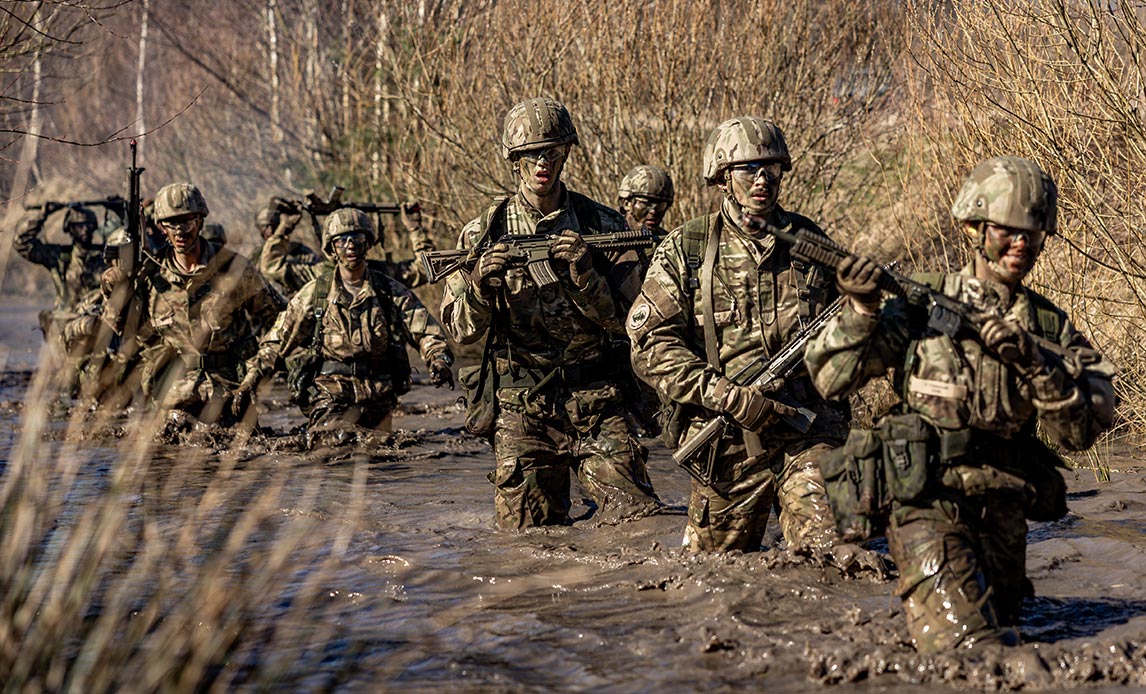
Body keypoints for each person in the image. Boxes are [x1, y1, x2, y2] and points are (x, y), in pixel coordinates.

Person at [804, 156, 1116, 651]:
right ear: (974, 227)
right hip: (924, 501)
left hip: (1004, 510)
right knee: (971, 650)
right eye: (1005, 232)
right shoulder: (920, 303)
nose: (1020, 245)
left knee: (1010, 629)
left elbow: (1081, 433)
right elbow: (831, 379)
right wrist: (862, 310)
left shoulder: (1048, 327)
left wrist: (1036, 364)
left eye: (1032, 236)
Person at [627, 116, 855, 556]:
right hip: (727, 441)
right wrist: (724, 394)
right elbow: (650, 344)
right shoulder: (687, 247)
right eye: (748, 169)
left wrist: (867, 301)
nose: (762, 179)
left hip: (806, 430)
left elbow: (859, 325)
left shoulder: (808, 242)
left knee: (832, 554)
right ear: (723, 177)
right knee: (713, 577)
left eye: (771, 167)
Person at [440, 96, 661, 529]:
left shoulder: (604, 227)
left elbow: (633, 323)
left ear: (566, 154)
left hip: (597, 399)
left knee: (639, 524)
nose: (543, 163)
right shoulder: (483, 232)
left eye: (553, 152)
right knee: (526, 545)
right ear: (514, 161)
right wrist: (482, 287)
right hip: (522, 406)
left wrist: (586, 277)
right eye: (531, 154)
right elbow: (460, 333)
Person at [234, 208, 454, 431]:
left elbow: (424, 329)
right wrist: (250, 380)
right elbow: (277, 342)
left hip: (378, 395)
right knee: (333, 441)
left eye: (357, 239)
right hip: (330, 393)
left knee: (381, 453)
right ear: (332, 248)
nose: (351, 246)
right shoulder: (315, 293)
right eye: (342, 241)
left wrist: (438, 358)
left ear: (367, 243)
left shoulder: (388, 290)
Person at [101, 182, 285, 428]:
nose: (179, 232)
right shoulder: (149, 276)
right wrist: (115, 292)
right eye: (170, 224)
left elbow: (281, 319)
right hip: (172, 399)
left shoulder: (233, 268)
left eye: (186, 222)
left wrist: (258, 369)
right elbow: (121, 332)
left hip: (231, 394)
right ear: (161, 228)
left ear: (200, 221)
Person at [15, 203, 108, 337]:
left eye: (89, 225)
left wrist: (123, 213)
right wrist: (41, 216)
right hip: (65, 323)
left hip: (96, 323)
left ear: (94, 227)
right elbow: (22, 244)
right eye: (79, 226)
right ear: (70, 229)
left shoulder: (104, 255)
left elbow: (132, 251)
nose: (85, 230)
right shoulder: (58, 256)